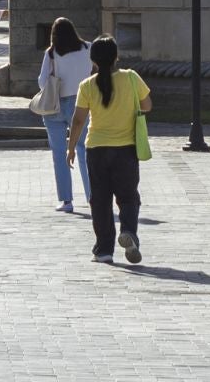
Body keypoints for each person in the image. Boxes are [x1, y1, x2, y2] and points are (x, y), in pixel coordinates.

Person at [66, 35, 151, 264]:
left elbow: (78, 120)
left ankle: (104, 250)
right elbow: (147, 105)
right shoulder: (131, 77)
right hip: (126, 149)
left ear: (93, 60)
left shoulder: (87, 85)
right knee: (128, 196)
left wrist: (71, 148)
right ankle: (129, 232)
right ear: (116, 57)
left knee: (100, 200)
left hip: (96, 149)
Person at [36, 17, 94, 212]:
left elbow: (42, 82)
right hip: (81, 102)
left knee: (59, 153)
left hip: (56, 105)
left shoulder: (52, 53)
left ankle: (66, 201)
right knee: (83, 149)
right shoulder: (88, 48)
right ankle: (92, 197)